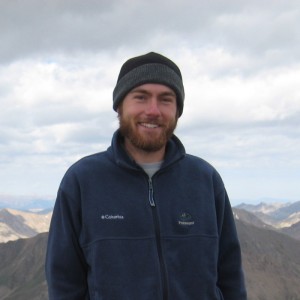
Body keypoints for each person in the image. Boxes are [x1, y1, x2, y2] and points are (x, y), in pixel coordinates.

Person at [45, 52, 247, 300]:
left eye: (165, 99)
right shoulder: (82, 181)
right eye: (140, 97)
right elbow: (63, 282)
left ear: (177, 110)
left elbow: (230, 277)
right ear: (119, 105)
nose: (153, 111)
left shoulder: (205, 180)